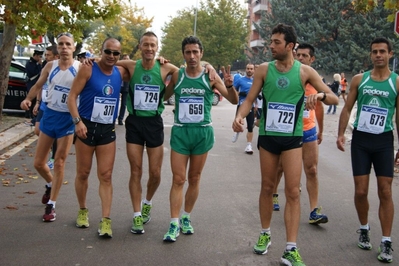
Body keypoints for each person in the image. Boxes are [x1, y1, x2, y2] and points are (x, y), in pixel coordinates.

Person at [232, 24, 338, 265]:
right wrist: (239, 117)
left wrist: (319, 96)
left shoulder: (305, 72)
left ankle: (291, 248)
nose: (271, 45)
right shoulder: (263, 70)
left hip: (292, 139)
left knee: (292, 191)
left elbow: (333, 97)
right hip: (269, 136)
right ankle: (265, 234)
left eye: (276, 42)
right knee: (267, 187)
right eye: (270, 41)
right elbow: (249, 100)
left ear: (290, 46)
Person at [162, 35, 238, 242]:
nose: (192, 56)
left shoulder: (211, 77)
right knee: (178, 179)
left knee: (194, 178)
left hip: (202, 133)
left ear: (201, 53)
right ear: (183, 54)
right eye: (188, 52)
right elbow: (163, 95)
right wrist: (161, 64)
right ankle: (173, 223)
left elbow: (233, 100)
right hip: (181, 132)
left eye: (196, 52)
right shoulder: (178, 76)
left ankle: (186, 216)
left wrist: (230, 86)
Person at [336, 37, 397, 263]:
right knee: (361, 191)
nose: (378, 55)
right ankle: (364, 228)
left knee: (386, 191)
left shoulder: (396, 82)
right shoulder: (360, 80)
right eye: (374, 52)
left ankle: (387, 241)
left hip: (383, 141)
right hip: (361, 140)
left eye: (382, 51)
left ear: (390, 54)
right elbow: (348, 107)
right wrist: (341, 133)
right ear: (370, 55)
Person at [68, 38, 129, 238]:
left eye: (116, 53)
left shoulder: (121, 72)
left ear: (120, 56)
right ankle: (83, 210)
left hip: (106, 131)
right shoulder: (88, 69)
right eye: (108, 52)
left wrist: (161, 59)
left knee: (106, 175)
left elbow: (142, 65)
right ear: (101, 51)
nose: (111, 56)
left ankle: (105, 220)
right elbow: (71, 97)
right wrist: (77, 122)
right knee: (83, 173)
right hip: (86, 127)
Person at [20, 32, 80, 222]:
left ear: (74, 46)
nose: (64, 47)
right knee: (38, 163)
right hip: (50, 116)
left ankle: (51, 204)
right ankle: (50, 184)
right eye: (61, 44)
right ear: (58, 47)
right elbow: (38, 85)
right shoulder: (50, 66)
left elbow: (107, 62)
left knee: (60, 162)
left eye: (67, 44)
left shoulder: (81, 68)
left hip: (67, 119)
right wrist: (28, 99)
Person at [271, 43, 328, 225]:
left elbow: (319, 107)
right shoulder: (291, 76)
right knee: (279, 168)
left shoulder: (315, 80)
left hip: (308, 130)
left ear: (312, 59)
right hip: (286, 131)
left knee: (311, 170)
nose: (301, 58)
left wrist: (321, 129)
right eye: (299, 55)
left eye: (305, 56)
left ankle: (314, 210)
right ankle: (273, 194)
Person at [33, 45, 59, 171]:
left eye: (48, 55)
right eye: (45, 55)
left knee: (52, 133)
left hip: (54, 106)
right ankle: (49, 146)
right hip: (44, 103)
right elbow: (40, 85)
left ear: (56, 56)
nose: (46, 57)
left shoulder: (61, 69)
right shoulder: (45, 67)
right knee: (38, 130)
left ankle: (54, 157)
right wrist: (37, 102)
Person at [231, 63, 255, 153]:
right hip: (241, 105)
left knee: (250, 126)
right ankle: (236, 132)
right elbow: (233, 91)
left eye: (251, 69)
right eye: (248, 68)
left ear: (253, 70)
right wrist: (240, 94)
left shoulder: (255, 81)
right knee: (238, 122)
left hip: (251, 106)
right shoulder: (240, 80)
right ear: (246, 69)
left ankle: (249, 145)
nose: (249, 70)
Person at [25, 49, 43, 121]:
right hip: (31, 83)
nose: (40, 58)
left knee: (36, 99)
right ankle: (27, 113)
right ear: (35, 55)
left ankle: (33, 114)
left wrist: (40, 65)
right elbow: (34, 72)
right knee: (30, 98)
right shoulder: (30, 63)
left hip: (37, 83)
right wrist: (39, 65)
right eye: (39, 56)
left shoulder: (38, 63)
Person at [117, 54, 130, 125]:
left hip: (126, 87)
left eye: (127, 59)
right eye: (124, 59)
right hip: (118, 87)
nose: (126, 60)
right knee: (115, 102)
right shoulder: (118, 67)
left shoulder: (130, 68)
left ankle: (120, 119)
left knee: (124, 104)